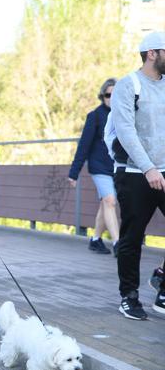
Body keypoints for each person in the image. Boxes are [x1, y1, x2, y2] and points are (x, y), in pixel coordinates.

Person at [109, 31, 165, 320]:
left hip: (164, 171)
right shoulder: (128, 85)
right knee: (132, 237)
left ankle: (162, 279)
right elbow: (126, 131)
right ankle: (128, 297)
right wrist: (149, 168)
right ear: (152, 53)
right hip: (135, 173)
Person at [68, 78, 119, 255]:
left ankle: (95, 239)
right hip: (99, 167)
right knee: (110, 201)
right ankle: (118, 244)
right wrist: (74, 173)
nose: (111, 98)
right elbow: (84, 145)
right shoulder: (95, 116)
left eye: (115, 94)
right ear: (102, 96)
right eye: (107, 95)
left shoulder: (124, 115)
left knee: (105, 204)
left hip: (118, 167)